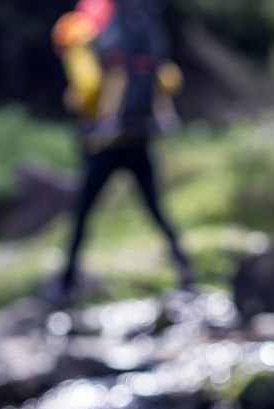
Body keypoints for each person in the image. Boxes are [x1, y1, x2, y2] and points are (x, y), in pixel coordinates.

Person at [49, 0, 193, 304]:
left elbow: (87, 87)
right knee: (157, 209)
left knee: (83, 214)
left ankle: (65, 283)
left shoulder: (94, 29)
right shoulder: (142, 26)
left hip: (103, 145)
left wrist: (76, 100)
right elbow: (168, 78)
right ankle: (186, 270)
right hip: (139, 138)